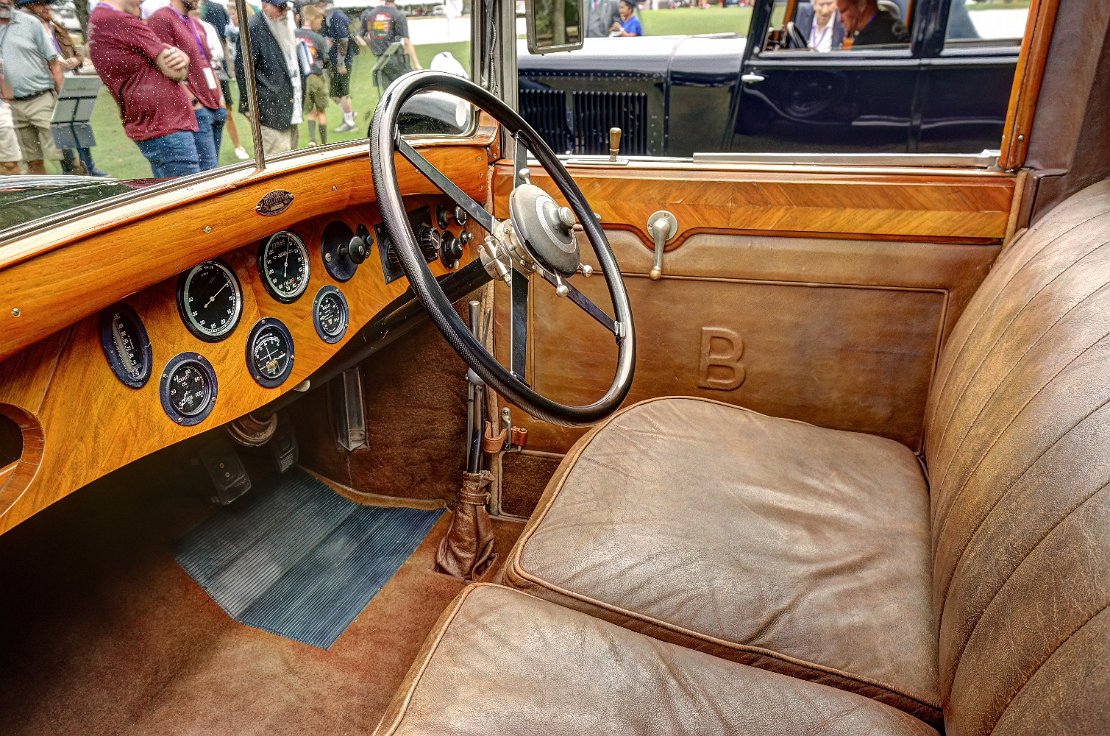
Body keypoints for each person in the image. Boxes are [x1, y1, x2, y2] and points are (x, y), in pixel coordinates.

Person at [88, 0, 199, 177]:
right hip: (167, 128)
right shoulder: (120, 21)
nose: (142, 2)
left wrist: (181, 60)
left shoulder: (98, 20)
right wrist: (183, 58)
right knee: (192, 197)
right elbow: (176, 71)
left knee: (172, 194)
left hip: (152, 128)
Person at [20, 0, 107, 175]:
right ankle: (71, 170)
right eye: (40, 4)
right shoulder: (25, 31)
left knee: (80, 125)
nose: (46, 7)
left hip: (72, 82)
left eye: (47, 3)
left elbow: (77, 51)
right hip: (49, 87)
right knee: (60, 129)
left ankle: (89, 166)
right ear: (28, 7)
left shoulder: (56, 26)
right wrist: (55, 63)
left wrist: (76, 60)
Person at [148, 0, 226, 171]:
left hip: (215, 105)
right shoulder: (161, 19)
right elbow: (163, 68)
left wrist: (220, 97)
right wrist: (193, 103)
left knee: (214, 172)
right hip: (198, 110)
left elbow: (207, 62)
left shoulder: (194, 22)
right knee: (207, 176)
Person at [0, 0, 61, 174]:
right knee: (33, 162)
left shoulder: (30, 22)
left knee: (61, 157)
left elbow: (54, 62)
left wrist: (63, 96)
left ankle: (77, 193)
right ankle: (46, 198)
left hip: (41, 99)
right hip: (12, 106)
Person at [235, 0, 301, 155]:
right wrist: (248, 104)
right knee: (278, 168)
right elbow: (243, 70)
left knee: (293, 164)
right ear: (264, 5)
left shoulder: (286, 23)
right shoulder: (253, 28)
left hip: (290, 109)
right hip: (271, 113)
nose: (284, 12)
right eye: (279, 7)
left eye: (286, 7)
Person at [361, 0, 420, 92]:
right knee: (407, 88)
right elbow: (406, 42)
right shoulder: (398, 15)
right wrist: (416, 64)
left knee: (389, 93)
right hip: (395, 58)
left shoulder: (370, 15)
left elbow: (361, 36)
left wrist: (373, 47)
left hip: (381, 61)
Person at [317, 0, 354, 132]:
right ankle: (348, 115)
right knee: (337, 93)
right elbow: (331, 40)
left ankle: (349, 122)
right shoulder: (330, 17)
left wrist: (340, 63)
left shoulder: (337, 17)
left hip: (342, 63)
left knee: (342, 93)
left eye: (318, 4)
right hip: (335, 62)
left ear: (323, 4)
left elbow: (343, 41)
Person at [297, 4, 328, 145]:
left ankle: (311, 140)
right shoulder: (318, 38)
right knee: (321, 110)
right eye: (320, 21)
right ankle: (324, 142)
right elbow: (326, 60)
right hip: (316, 77)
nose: (320, 25)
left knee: (310, 111)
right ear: (313, 18)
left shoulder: (294, 34)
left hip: (302, 79)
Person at [837, 0, 907, 46]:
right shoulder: (891, 22)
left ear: (861, 5)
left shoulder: (866, 44)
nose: (840, 19)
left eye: (843, 11)